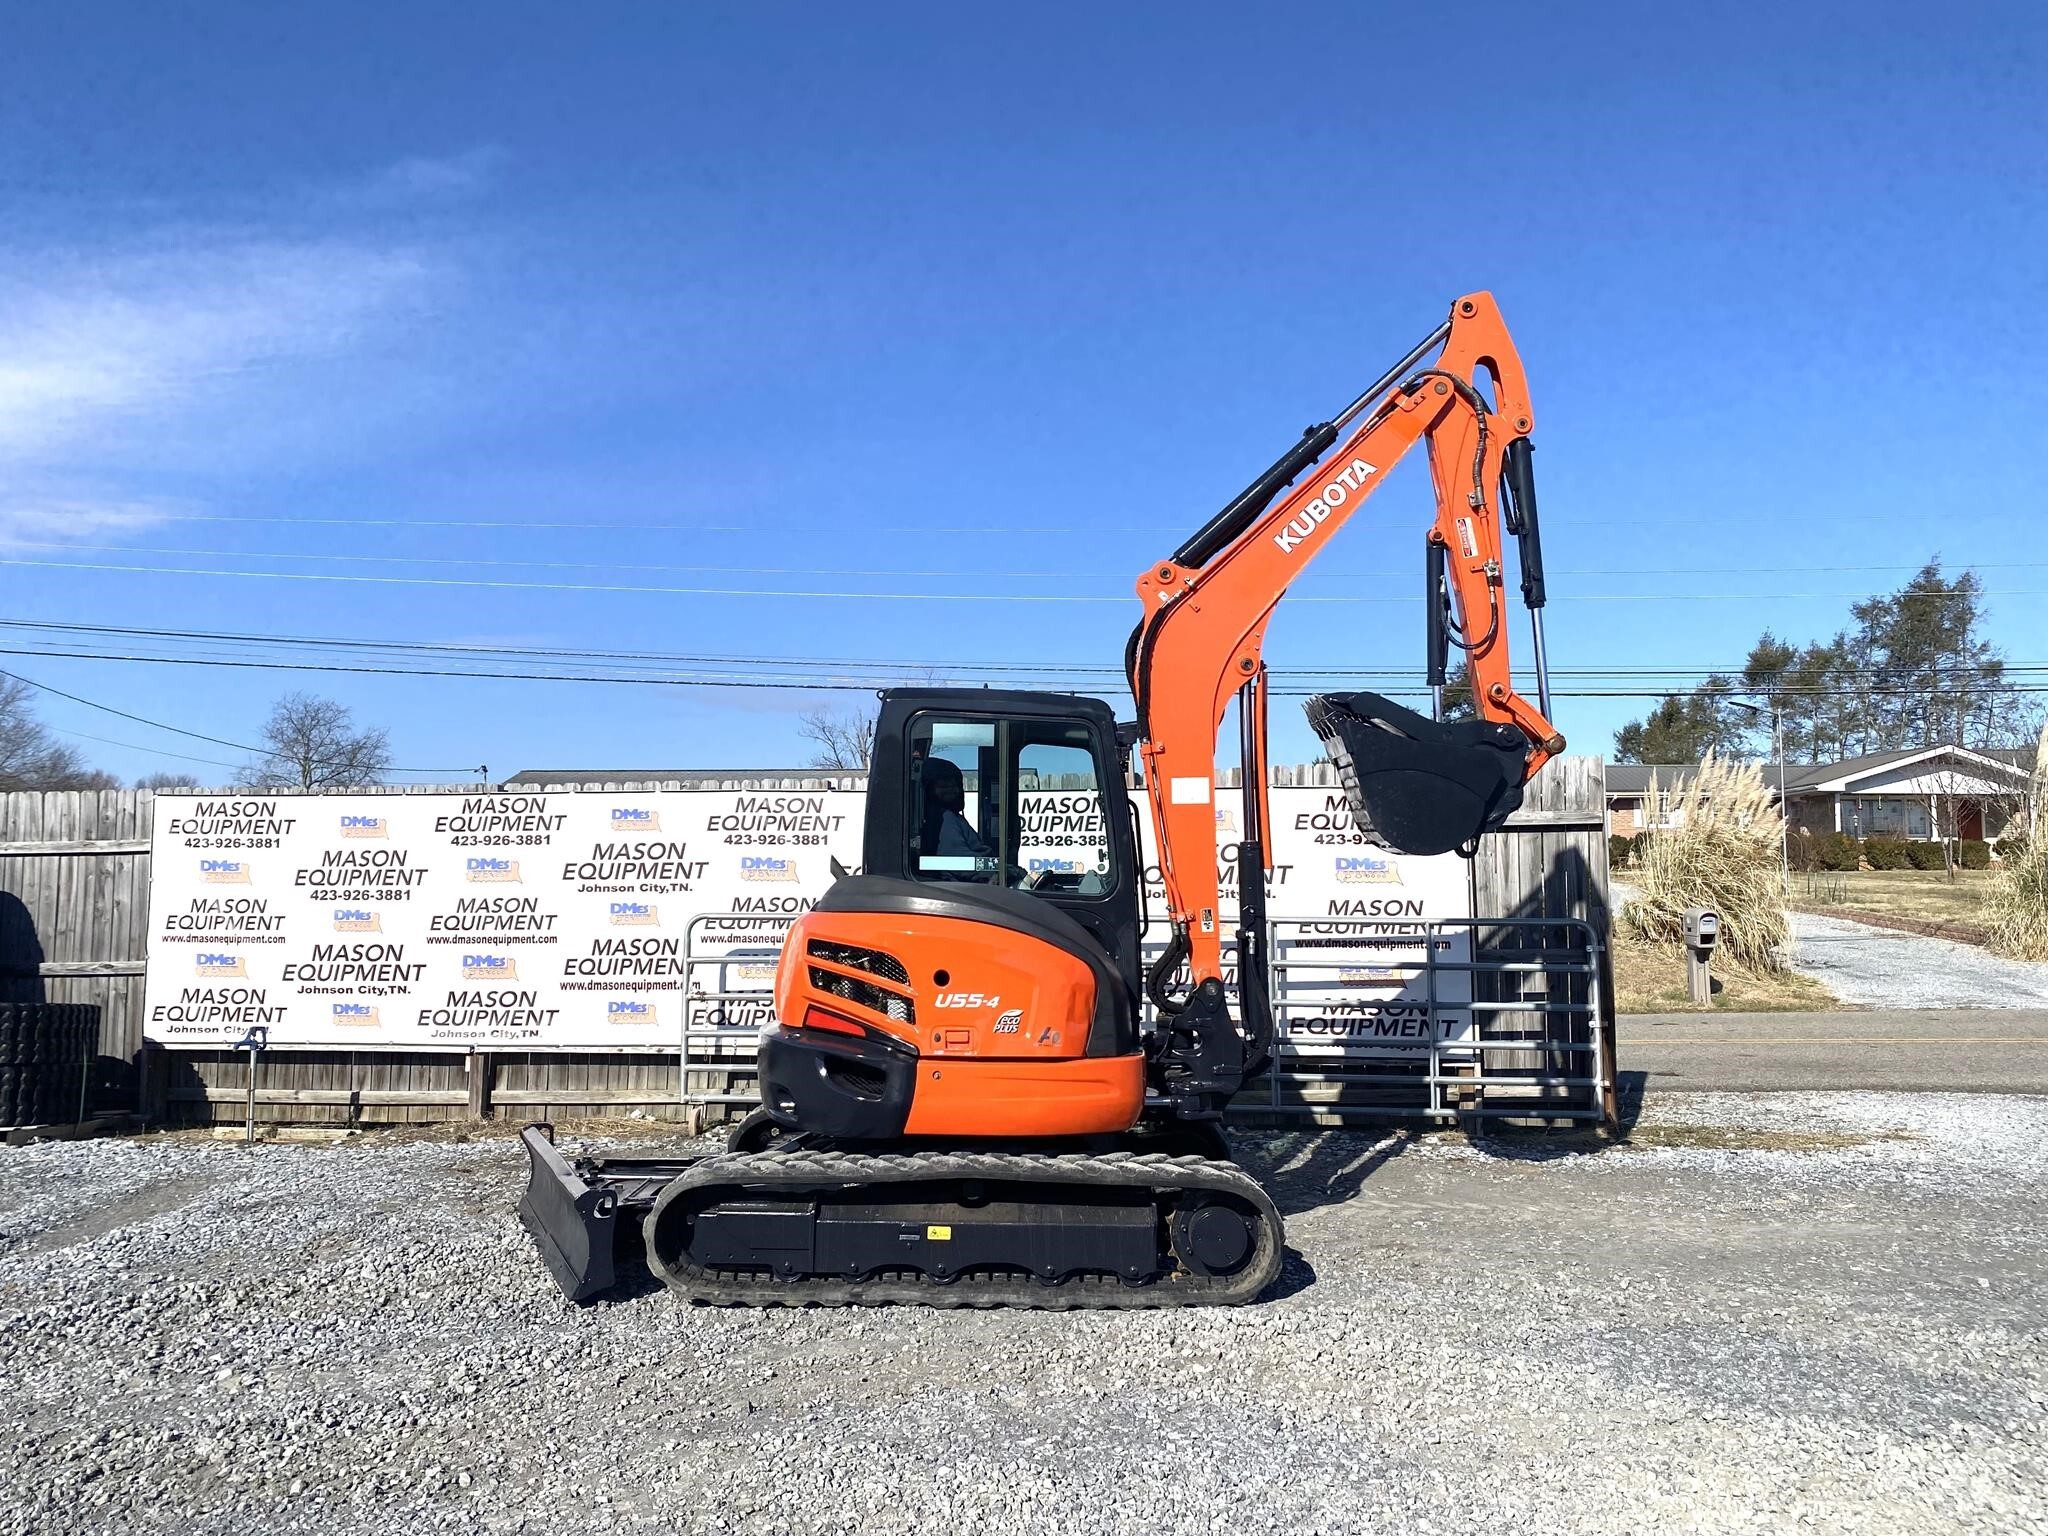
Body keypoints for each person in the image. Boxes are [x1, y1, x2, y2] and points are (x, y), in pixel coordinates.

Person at [918, 757, 990, 867]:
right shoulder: (944, 818)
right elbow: (958, 862)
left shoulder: (954, 817)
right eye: (943, 786)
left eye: (954, 786)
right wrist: (992, 869)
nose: (951, 790)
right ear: (929, 790)